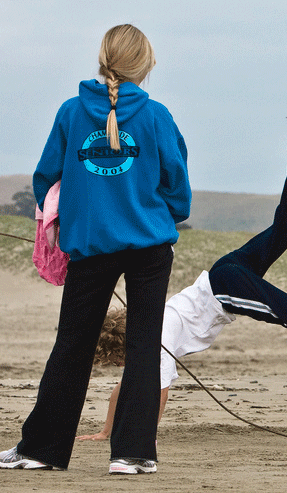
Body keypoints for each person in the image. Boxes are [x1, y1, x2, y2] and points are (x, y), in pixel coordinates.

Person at [76, 130, 287, 441]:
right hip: (223, 271)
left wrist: (142, 436)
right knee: (284, 230)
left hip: (223, 289)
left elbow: (159, 393)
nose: (123, 366)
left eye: (117, 361)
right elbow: (120, 390)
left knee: (281, 310)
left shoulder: (153, 345)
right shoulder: (146, 322)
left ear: (119, 351)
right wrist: (106, 432)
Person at [0, 25, 191, 474]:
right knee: (145, 347)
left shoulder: (71, 112)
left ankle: (41, 450)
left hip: (92, 246)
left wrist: (79, 212)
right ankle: (132, 454)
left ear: (103, 58)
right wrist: (153, 212)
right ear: (145, 65)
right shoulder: (156, 115)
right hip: (149, 245)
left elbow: (45, 179)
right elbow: (177, 187)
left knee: (72, 345)